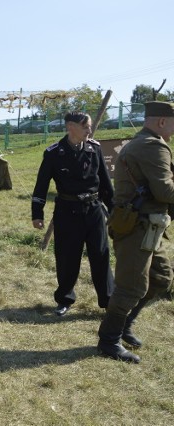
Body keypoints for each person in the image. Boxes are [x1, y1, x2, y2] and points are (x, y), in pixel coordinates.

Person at [97, 101, 174, 363]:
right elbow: (165, 191)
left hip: (150, 224)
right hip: (136, 226)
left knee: (161, 277)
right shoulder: (153, 146)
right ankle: (109, 340)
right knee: (131, 287)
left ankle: (125, 323)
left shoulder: (145, 142)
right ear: (162, 122)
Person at [31, 111, 115, 316]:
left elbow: (105, 183)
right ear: (71, 127)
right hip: (67, 212)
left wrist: (113, 211)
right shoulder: (53, 153)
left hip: (94, 209)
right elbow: (41, 185)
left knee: (101, 255)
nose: (90, 129)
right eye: (86, 126)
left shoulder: (94, 149)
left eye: (90, 126)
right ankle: (65, 299)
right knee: (67, 257)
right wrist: (37, 213)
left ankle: (108, 301)